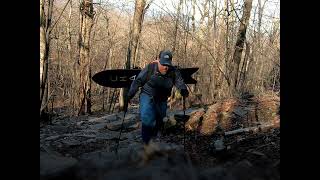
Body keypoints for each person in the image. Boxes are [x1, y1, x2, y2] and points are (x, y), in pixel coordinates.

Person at [127, 50, 189, 160]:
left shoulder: (173, 71)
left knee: (159, 120)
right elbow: (138, 81)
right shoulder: (150, 68)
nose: (165, 67)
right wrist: (130, 94)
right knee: (147, 119)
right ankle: (147, 146)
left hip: (162, 99)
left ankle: (153, 141)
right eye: (163, 64)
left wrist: (183, 89)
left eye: (167, 64)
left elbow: (179, 82)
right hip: (147, 95)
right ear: (159, 61)